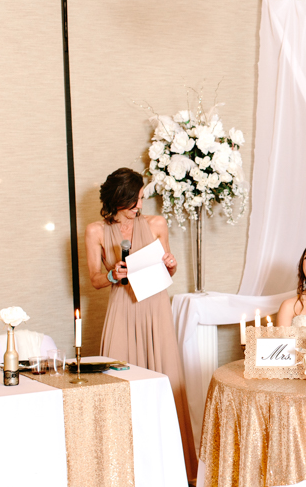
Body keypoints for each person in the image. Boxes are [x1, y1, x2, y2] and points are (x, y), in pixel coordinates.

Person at [84, 168, 197, 480]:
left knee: (166, 378)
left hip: (155, 307)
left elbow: (168, 270)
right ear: (118, 200)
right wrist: (112, 275)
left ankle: (173, 465)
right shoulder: (95, 231)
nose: (140, 206)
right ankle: (122, 466)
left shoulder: (156, 224)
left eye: (141, 198)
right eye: (133, 201)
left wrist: (171, 265)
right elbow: (94, 278)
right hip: (122, 306)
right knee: (119, 381)